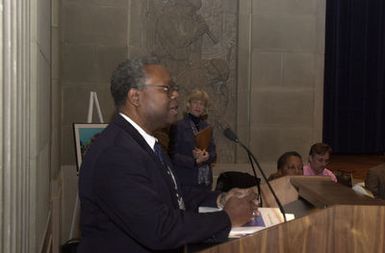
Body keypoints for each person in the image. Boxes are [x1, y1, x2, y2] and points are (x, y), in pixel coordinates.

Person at [77, 56, 258, 253]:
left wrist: (221, 200)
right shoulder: (116, 153)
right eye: (166, 89)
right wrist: (227, 218)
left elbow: (173, 199)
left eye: (175, 88)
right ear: (135, 97)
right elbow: (159, 228)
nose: (176, 95)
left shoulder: (146, 144)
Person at [169, 89, 216, 192]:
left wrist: (207, 156)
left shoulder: (207, 127)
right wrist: (194, 161)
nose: (198, 106)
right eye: (195, 103)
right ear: (188, 105)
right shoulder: (178, 126)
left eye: (201, 104)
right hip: (186, 181)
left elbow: (214, 154)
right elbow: (172, 156)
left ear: (204, 108)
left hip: (206, 182)